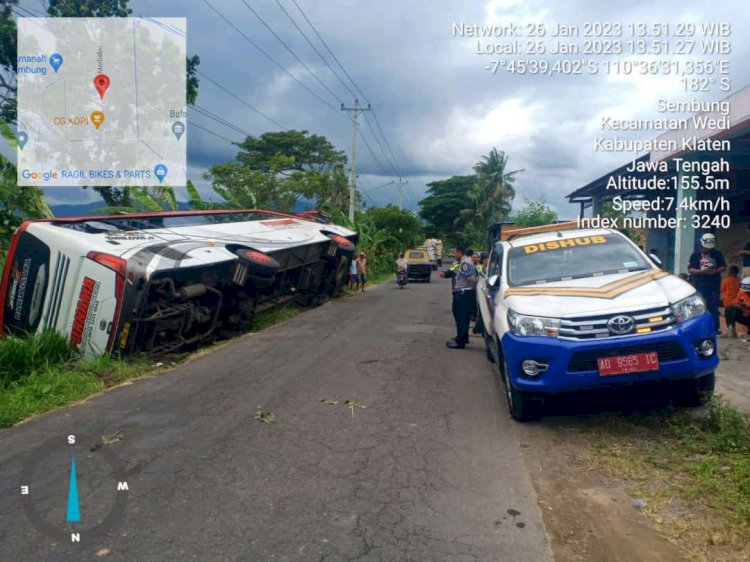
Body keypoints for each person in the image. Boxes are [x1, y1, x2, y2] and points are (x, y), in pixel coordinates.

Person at [439, 244, 477, 349]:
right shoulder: (458, 263)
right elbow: (452, 270)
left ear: (460, 252)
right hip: (460, 292)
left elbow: (472, 279)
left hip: (464, 293)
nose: (453, 254)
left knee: (462, 318)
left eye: (455, 252)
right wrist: (445, 273)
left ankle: (461, 342)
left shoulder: (465, 263)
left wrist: (472, 290)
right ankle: (461, 337)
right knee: (460, 317)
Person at [688, 233, 727, 333]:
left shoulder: (717, 254)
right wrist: (701, 272)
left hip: (714, 285)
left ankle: (715, 328)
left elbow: (723, 266)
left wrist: (716, 270)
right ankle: (702, 328)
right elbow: (691, 269)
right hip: (701, 284)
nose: (708, 250)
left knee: (714, 306)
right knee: (702, 307)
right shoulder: (695, 255)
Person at [725, 277, 750, 341]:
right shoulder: (741, 292)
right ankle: (731, 329)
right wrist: (738, 306)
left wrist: (746, 306)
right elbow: (734, 302)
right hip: (744, 315)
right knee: (729, 309)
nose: (747, 293)